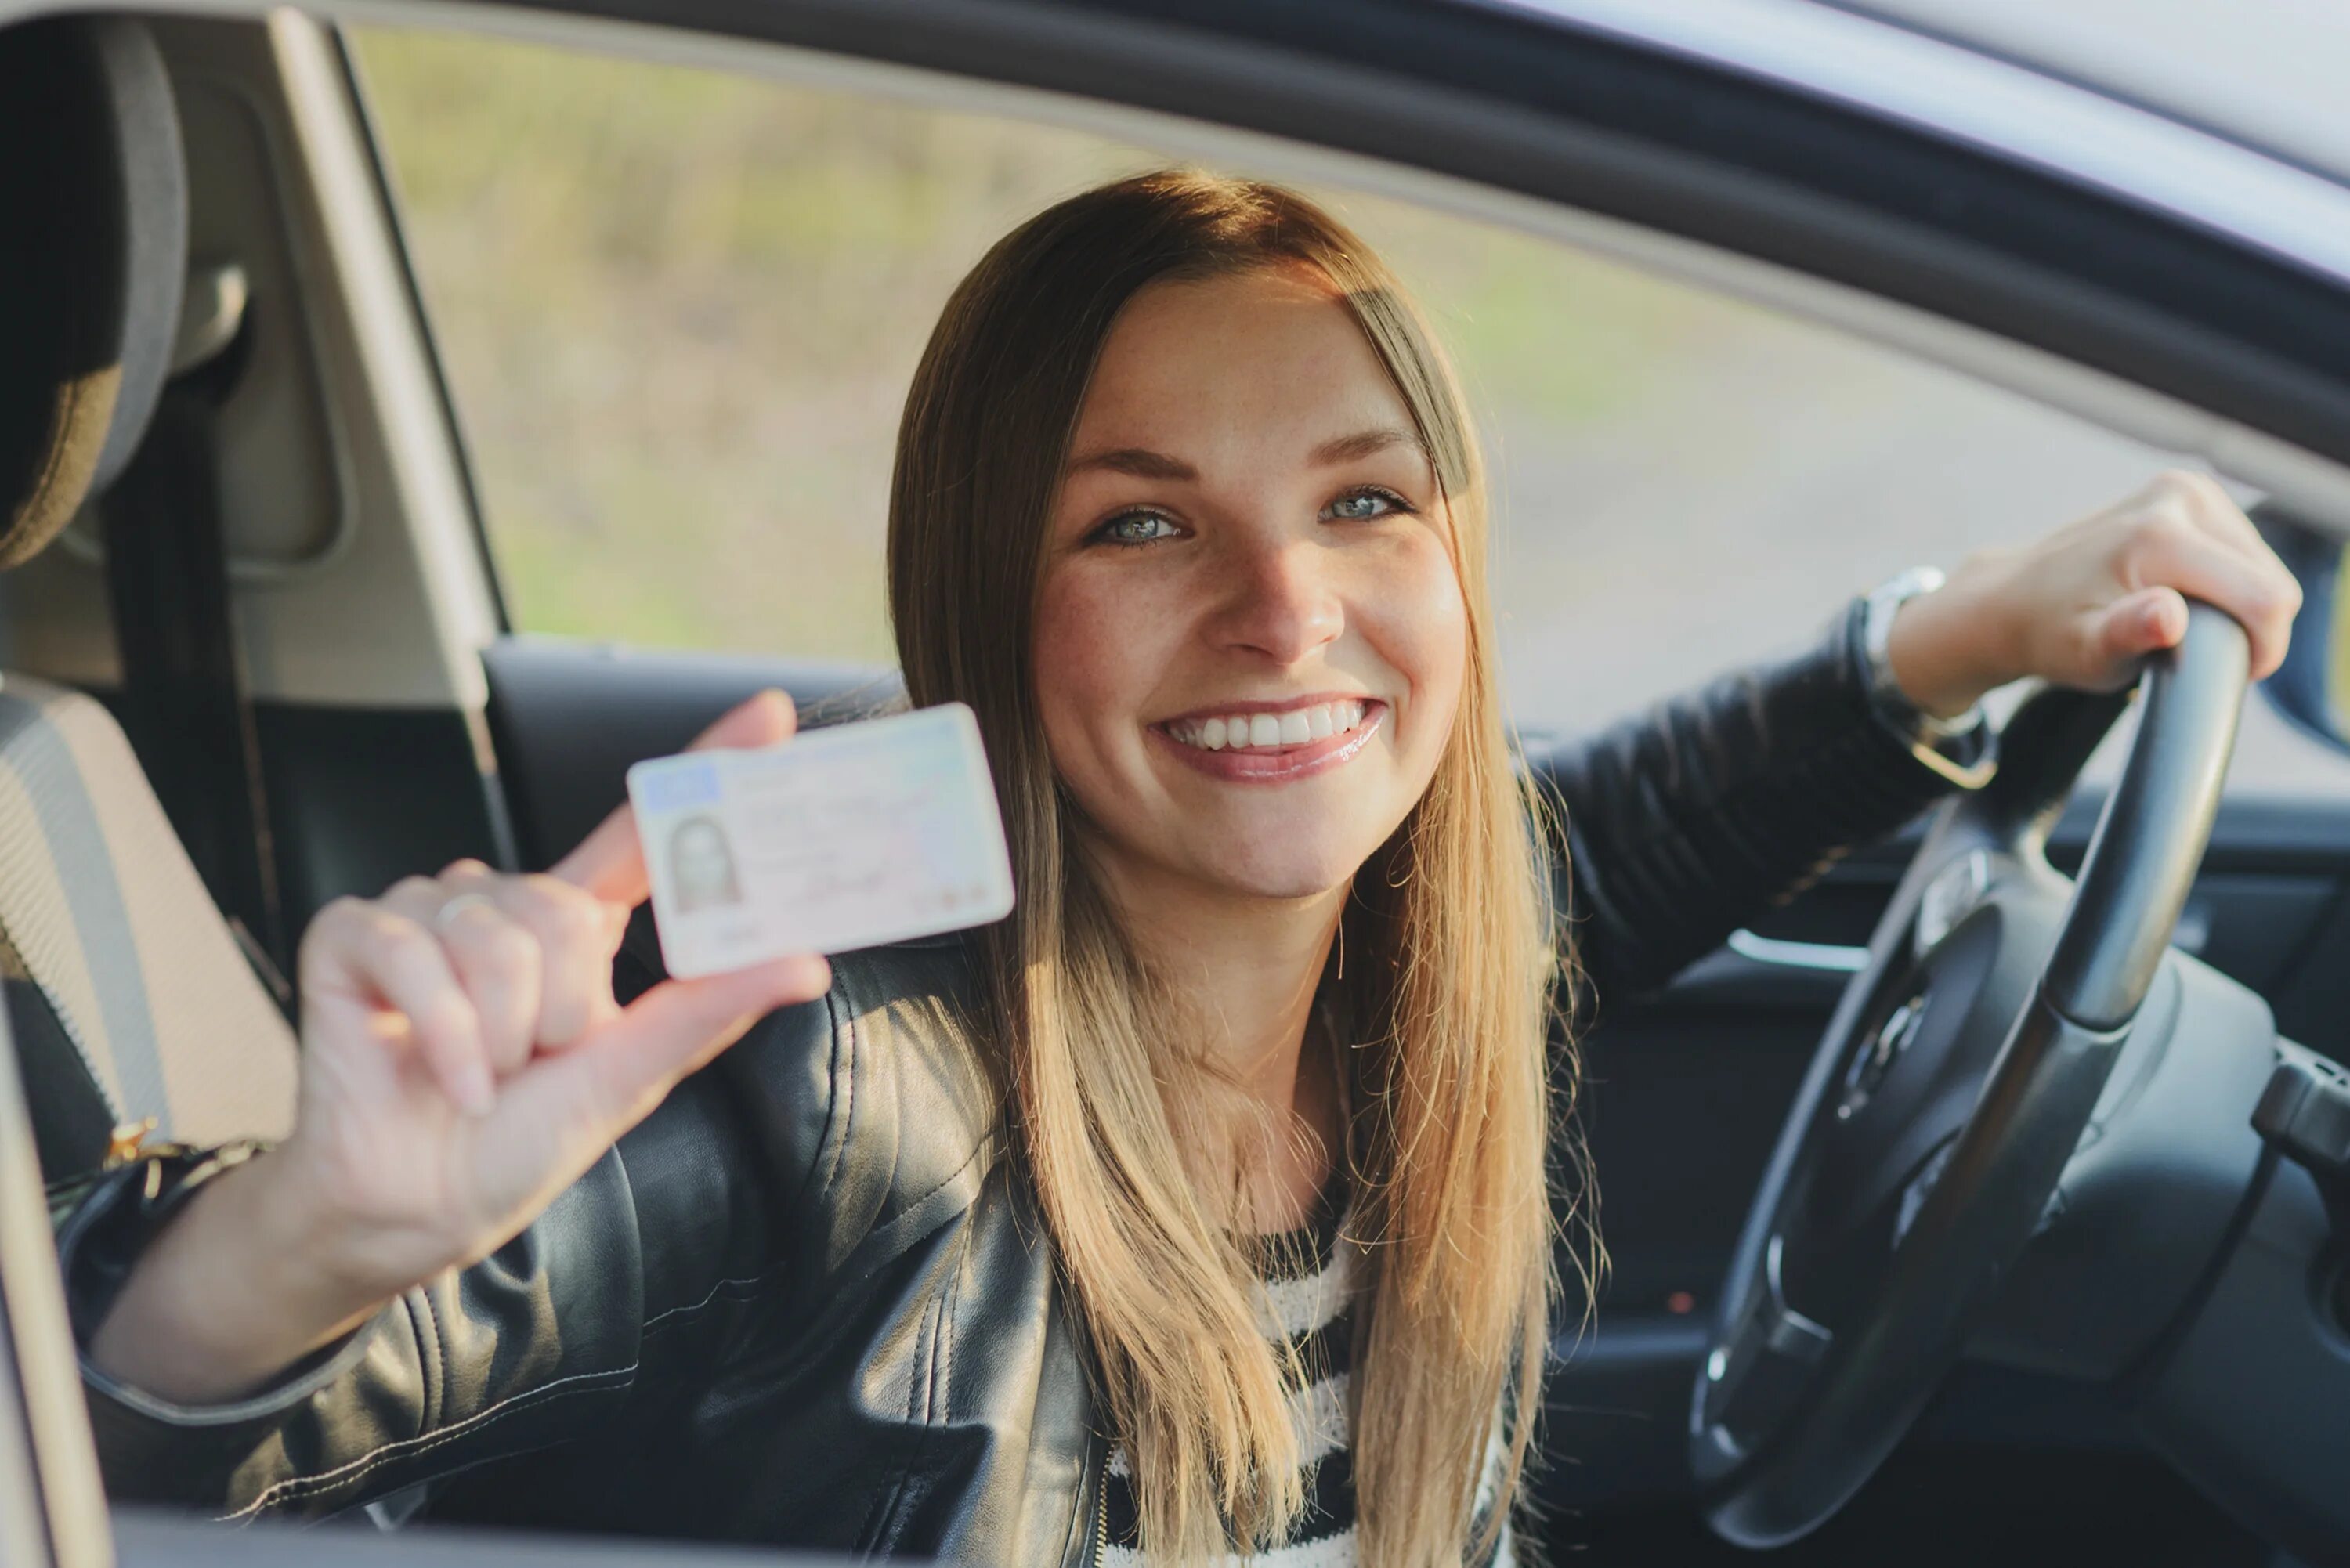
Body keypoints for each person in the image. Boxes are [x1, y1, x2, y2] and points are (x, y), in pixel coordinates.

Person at [60, 172, 2298, 1566]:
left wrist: (1972, 622)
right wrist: (304, 1242)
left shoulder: (1411, 967)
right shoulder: (832, 1077)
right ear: (988, 596)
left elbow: (1604, 844)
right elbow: (118, 1455)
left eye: (1363, 502)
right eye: (1143, 521)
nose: (1283, 612)